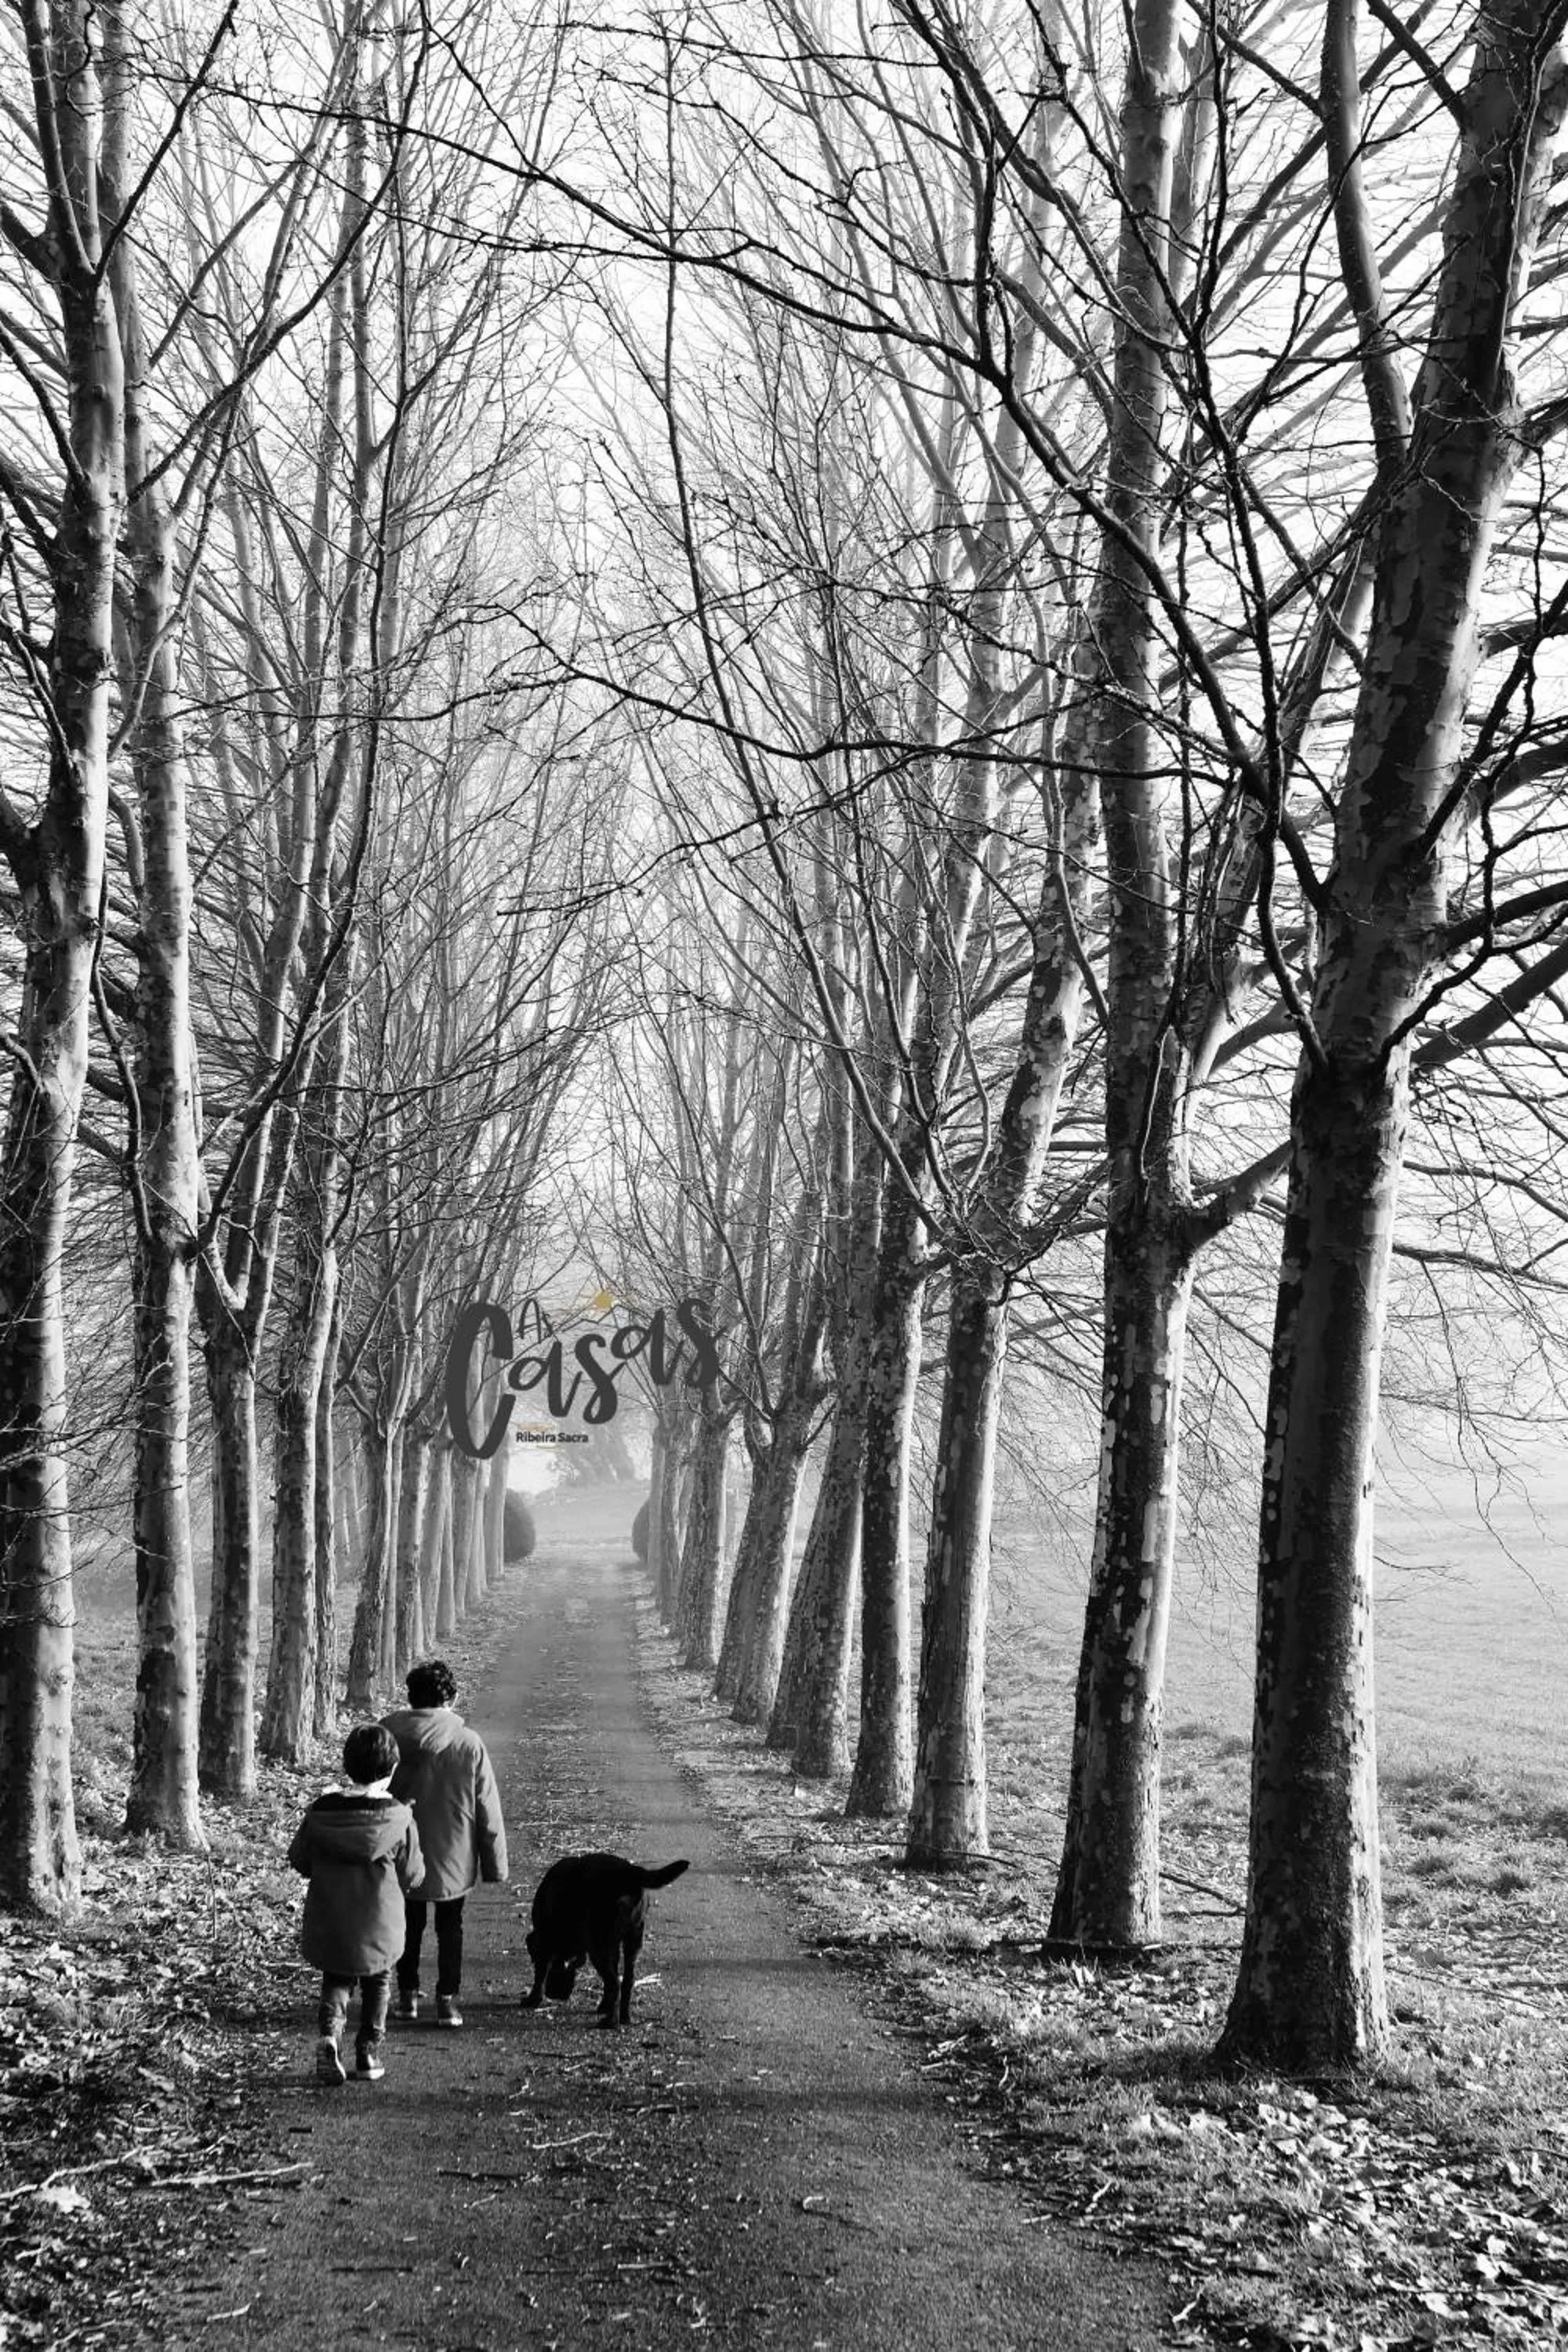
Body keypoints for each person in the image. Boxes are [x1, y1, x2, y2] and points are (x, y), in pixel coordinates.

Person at [288, 1722, 423, 2087]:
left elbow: (299, 1859)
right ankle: (368, 2052)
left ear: (348, 1766)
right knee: (379, 1982)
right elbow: (413, 1874)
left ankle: (330, 2037)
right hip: (380, 1922)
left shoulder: (322, 1813)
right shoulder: (399, 1818)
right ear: (392, 1770)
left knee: (337, 1979)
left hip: (332, 1917)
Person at [382, 1658, 508, 2028]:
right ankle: (447, 2002)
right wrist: (495, 1863)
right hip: (454, 1851)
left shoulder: (387, 1736)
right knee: (450, 1927)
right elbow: (487, 1807)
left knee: (407, 1922)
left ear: (411, 1697)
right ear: (451, 1697)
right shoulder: (469, 1743)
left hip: (401, 1848)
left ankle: (406, 1997)